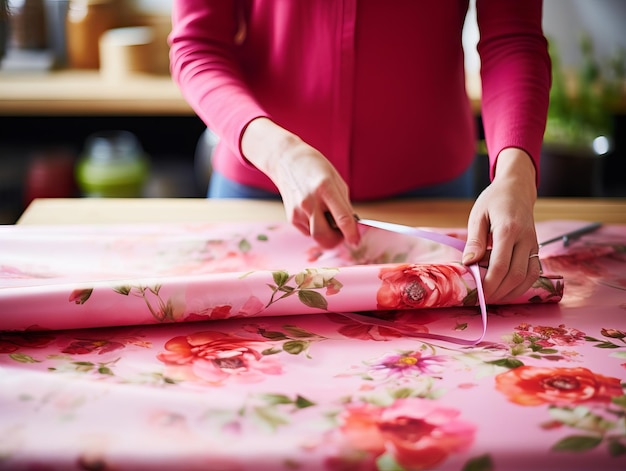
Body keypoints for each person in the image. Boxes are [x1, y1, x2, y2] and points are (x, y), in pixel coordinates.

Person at [168, 0, 552, 303]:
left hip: (431, 197)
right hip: (261, 190)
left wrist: (515, 175)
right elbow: (197, 44)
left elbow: (513, 37)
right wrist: (276, 151)